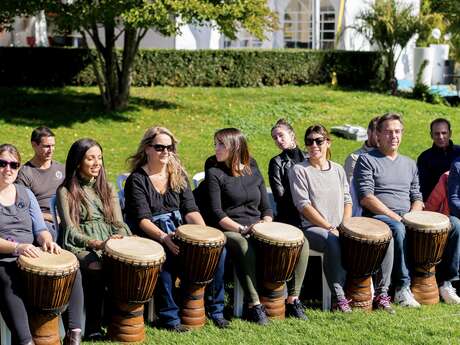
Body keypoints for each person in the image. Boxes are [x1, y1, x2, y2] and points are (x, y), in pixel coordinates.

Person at [124, 127, 228, 332]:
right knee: (163, 258)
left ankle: (216, 310)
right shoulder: (137, 180)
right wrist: (164, 238)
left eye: (169, 147)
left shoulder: (177, 174)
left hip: (180, 228)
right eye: (159, 147)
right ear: (147, 149)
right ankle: (169, 316)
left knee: (218, 251)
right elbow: (143, 220)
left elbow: (190, 210)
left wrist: (205, 233)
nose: (165, 152)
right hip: (151, 232)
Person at [354, 113, 460, 306]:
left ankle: (447, 282)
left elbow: (417, 196)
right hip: (379, 217)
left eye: (397, 131)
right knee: (398, 228)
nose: (393, 136)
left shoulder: (410, 163)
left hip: (407, 215)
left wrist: (414, 215)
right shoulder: (366, 160)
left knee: (454, 224)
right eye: (388, 132)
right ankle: (402, 287)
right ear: (378, 134)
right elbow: (366, 198)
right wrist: (397, 217)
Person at [205, 127, 309, 323]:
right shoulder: (213, 170)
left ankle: (293, 299)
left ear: (235, 147)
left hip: (258, 226)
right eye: (215, 144)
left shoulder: (252, 166)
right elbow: (217, 213)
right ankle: (254, 304)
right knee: (245, 246)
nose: (216, 148)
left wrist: (265, 224)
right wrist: (242, 229)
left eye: (220, 144)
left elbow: (266, 208)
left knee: (302, 242)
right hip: (229, 229)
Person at [289, 124, 394, 313]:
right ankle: (340, 298)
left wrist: (345, 225)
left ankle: (382, 293)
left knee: (386, 239)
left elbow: (347, 200)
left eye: (319, 141)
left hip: (340, 226)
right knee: (333, 241)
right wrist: (330, 227)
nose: (314, 145)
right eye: (309, 141)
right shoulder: (299, 170)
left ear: (328, 143)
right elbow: (303, 206)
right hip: (313, 229)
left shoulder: (337, 169)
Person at [0, 144, 83, 345]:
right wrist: (17, 248)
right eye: (2, 163)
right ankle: (25, 341)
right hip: (5, 257)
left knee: (72, 270)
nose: (8, 169)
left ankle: (74, 334)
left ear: (19, 168)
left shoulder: (26, 193)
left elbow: (40, 229)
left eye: (14, 164)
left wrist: (47, 242)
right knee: (7, 278)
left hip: (31, 253)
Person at [57, 138, 132, 339]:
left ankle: (120, 320)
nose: (97, 162)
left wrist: (120, 238)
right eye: (90, 158)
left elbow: (118, 223)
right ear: (78, 161)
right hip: (80, 245)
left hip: (109, 240)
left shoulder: (107, 187)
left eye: (99, 157)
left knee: (129, 263)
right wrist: (97, 244)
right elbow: (71, 231)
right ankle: (93, 326)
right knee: (96, 266)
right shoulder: (65, 191)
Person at [16, 126, 65, 241]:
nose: (51, 150)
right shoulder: (25, 173)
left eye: (53, 146)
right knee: (50, 234)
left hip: (64, 217)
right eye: (46, 146)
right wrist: (51, 217)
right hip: (43, 221)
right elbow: (22, 209)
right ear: (34, 145)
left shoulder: (61, 169)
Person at [268, 118, 306, 227]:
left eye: (281, 135)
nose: (278, 140)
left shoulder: (309, 157)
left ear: (292, 135)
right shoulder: (276, 162)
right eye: (275, 138)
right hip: (290, 218)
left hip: (313, 214)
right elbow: (280, 197)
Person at [417, 118, 460, 201]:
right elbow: (422, 187)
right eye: (437, 134)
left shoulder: (459, 153)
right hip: (435, 203)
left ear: (450, 133)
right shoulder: (424, 158)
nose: (441, 137)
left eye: (444, 133)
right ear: (431, 135)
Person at [344, 116, 379, 185]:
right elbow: (350, 190)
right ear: (369, 132)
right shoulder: (355, 159)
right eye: (377, 132)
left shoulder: (390, 157)